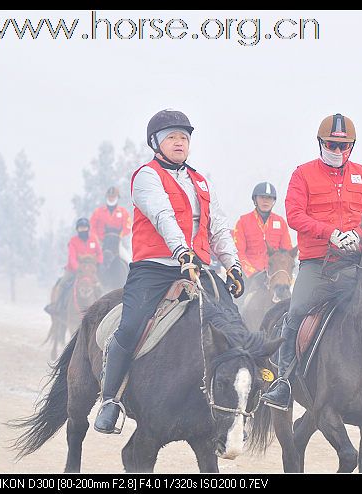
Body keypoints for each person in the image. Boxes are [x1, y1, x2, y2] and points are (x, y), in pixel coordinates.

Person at [260, 113, 362, 414]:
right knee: (296, 310)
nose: (337, 152)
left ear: (352, 147)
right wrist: (331, 234)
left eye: (344, 146)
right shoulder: (303, 175)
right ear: (321, 144)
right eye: (332, 145)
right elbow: (294, 214)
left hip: (356, 264)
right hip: (316, 264)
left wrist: (360, 234)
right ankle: (282, 382)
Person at [93, 109, 246, 434]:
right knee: (132, 325)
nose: (179, 142)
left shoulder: (201, 182)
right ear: (156, 143)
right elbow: (163, 216)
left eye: (184, 137)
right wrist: (182, 252)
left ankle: (241, 399)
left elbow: (217, 225)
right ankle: (110, 400)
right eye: (172, 137)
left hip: (198, 268)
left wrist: (232, 264)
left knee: (234, 326)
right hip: (154, 268)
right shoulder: (146, 176)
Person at [44, 218, 103, 315]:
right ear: (77, 229)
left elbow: (99, 253)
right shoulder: (73, 241)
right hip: (74, 270)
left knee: (99, 285)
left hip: (89, 270)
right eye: (80, 228)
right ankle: (56, 306)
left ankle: (101, 308)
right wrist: (78, 268)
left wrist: (98, 264)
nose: (83, 230)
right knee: (62, 283)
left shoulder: (93, 239)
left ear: (88, 228)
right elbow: (71, 257)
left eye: (84, 228)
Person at [233, 182, 293, 277]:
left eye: (269, 198)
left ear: (274, 201)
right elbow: (238, 252)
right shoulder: (242, 222)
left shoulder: (280, 222)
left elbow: (287, 251)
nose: (266, 201)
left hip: (274, 275)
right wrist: (252, 272)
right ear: (255, 200)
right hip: (249, 276)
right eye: (262, 197)